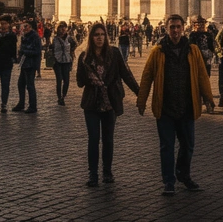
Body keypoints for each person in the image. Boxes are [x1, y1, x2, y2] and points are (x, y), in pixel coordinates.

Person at [136, 14, 214, 196]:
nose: (176, 31)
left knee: (188, 145)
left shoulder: (193, 51)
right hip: (165, 107)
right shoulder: (158, 51)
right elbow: (147, 76)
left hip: (187, 106)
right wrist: (141, 100)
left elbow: (202, 76)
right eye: (172, 27)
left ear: (184, 28)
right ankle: (169, 181)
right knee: (167, 146)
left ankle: (183, 174)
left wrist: (209, 99)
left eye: (178, 27)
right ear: (166, 29)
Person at [77, 22, 140, 187]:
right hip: (91, 104)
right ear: (91, 38)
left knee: (108, 140)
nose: (99, 38)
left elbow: (127, 75)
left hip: (110, 103)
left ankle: (107, 171)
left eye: (102, 35)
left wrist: (140, 93)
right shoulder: (85, 57)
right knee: (93, 139)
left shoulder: (114, 53)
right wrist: (87, 74)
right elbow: (79, 83)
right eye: (96, 35)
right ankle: (92, 173)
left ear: (106, 36)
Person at [15, 19, 41, 113]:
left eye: (26, 26)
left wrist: (24, 51)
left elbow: (37, 51)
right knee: (20, 84)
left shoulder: (35, 37)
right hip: (24, 63)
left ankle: (33, 106)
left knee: (30, 85)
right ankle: (21, 103)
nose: (24, 28)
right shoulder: (24, 36)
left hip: (31, 64)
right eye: (23, 26)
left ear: (30, 27)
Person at [51, 22, 74, 106]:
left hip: (67, 61)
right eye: (61, 27)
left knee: (67, 81)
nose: (63, 29)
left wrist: (71, 56)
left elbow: (74, 47)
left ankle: (63, 96)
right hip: (57, 61)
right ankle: (59, 98)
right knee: (59, 80)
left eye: (64, 27)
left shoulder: (69, 38)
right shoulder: (54, 39)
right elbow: (51, 48)